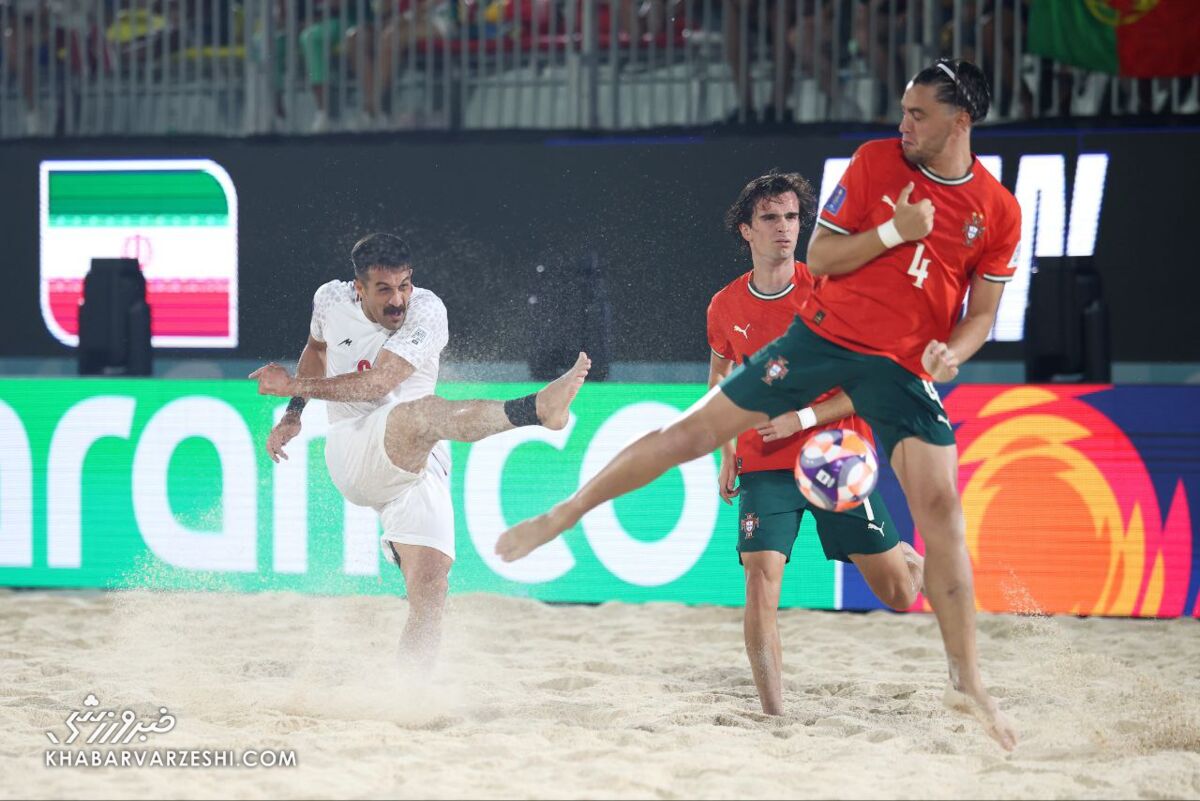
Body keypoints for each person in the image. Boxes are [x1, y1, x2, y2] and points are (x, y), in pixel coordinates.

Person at [497, 58, 1021, 751]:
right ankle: (563, 513)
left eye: (917, 113)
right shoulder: (875, 162)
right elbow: (825, 258)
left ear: (960, 121)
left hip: (890, 379)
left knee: (939, 519)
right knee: (691, 434)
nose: (903, 124)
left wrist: (953, 351)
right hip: (821, 345)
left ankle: (967, 679)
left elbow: (982, 314)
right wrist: (897, 231)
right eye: (902, 109)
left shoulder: (999, 211)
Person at [250, 233, 590, 667]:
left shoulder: (427, 311)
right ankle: (536, 409)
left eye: (404, 285)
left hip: (420, 459)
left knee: (431, 590)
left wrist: (292, 386)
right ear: (358, 288)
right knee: (421, 414)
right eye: (384, 290)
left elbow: (378, 382)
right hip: (354, 447)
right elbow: (316, 350)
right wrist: (293, 412)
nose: (398, 300)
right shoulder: (330, 300)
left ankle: (410, 690)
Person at [709, 169, 924, 716]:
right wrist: (727, 450)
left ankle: (904, 556)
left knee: (899, 595)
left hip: (834, 456)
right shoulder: (725, 305)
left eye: (792, 217)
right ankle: (774, 715)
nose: (784, 228)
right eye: (770, 218)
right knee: (760, 579)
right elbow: (719, 381)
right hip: (764, 464)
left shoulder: (831, 292)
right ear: (746, 231)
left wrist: (800, 417)